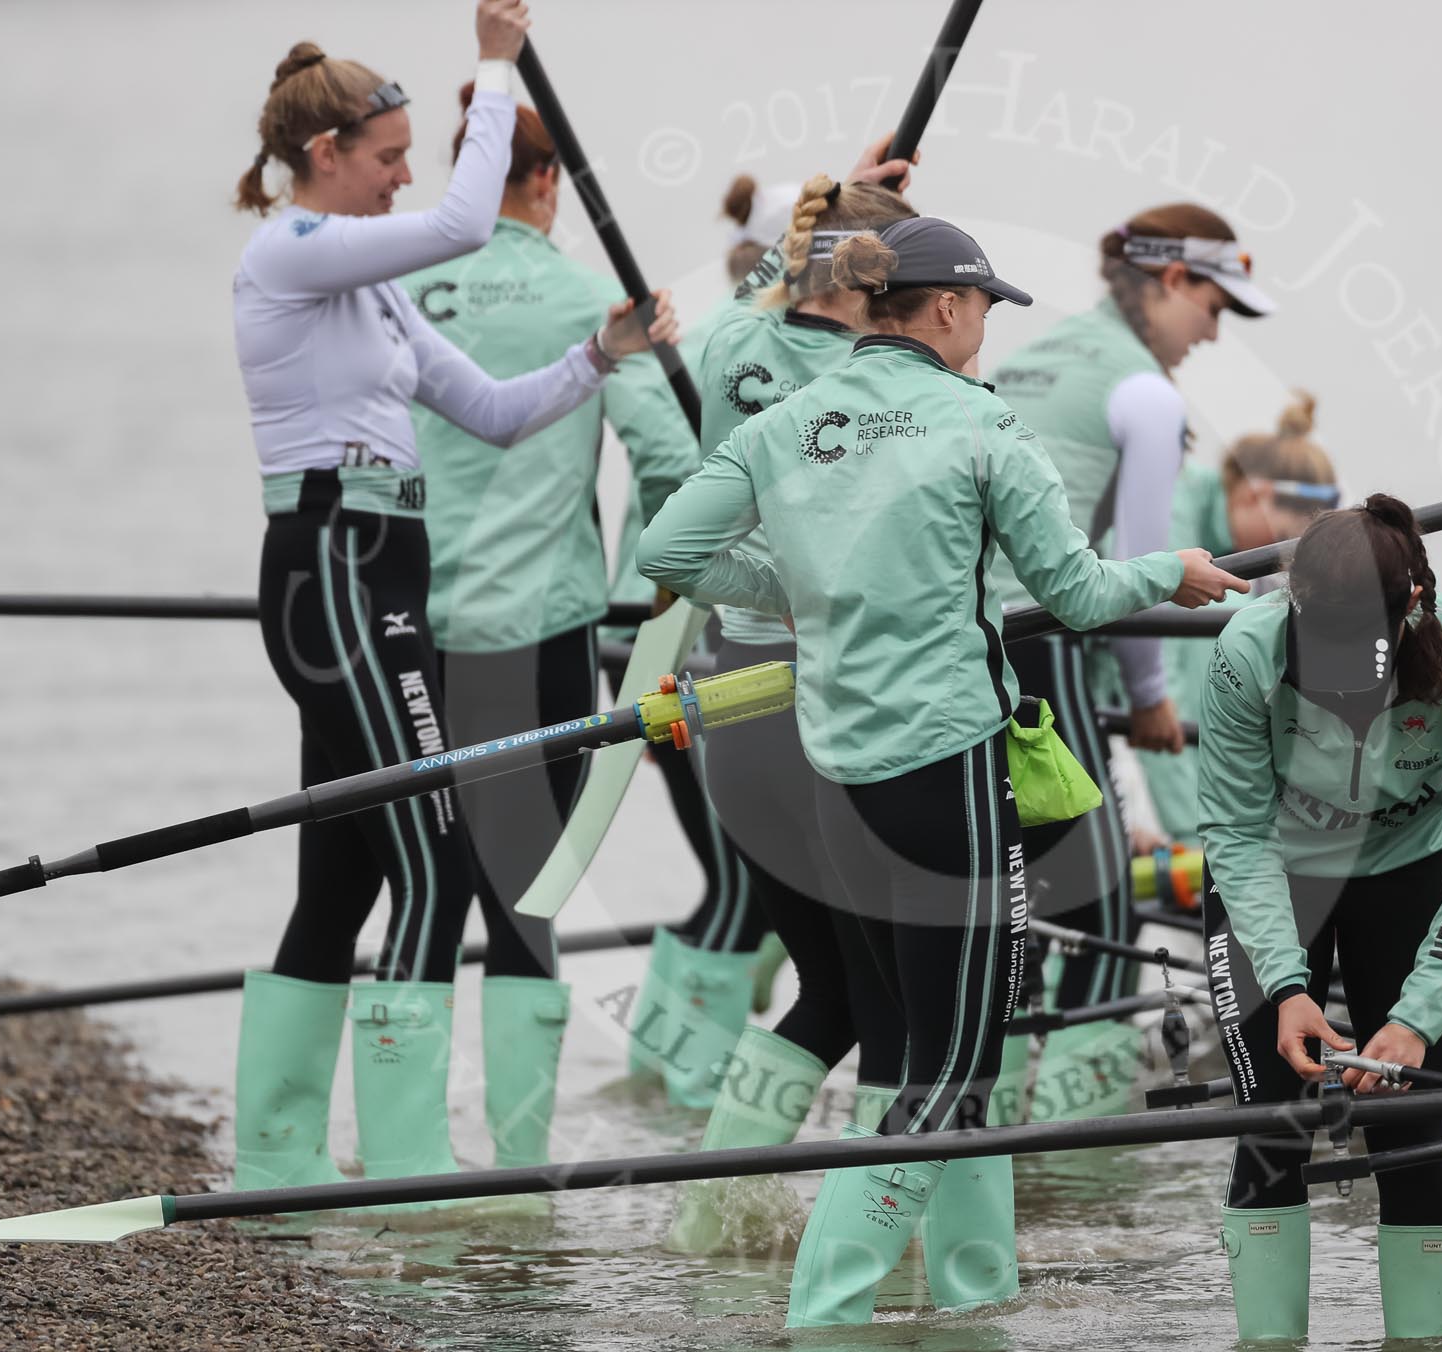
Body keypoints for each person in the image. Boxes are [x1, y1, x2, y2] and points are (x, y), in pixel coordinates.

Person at [638, 215, 1247, 1327]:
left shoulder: (791, 421)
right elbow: (1074, 591)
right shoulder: (979, 423)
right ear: (951, 309)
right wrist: (1176, 567)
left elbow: (667, 553)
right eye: (985, 310)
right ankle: (825, 1313)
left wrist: (811, 594)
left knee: (917, 1040)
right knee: (962, 1057)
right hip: (951, 776)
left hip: (838, 783)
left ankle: (973, 1296)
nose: (986, 331)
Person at [226, 1, 678, 1199]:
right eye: (390, 159)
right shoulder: (293, 250)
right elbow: (470, 216)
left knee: (346, 873)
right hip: (333, 563)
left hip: (381, 573)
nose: (404, 179)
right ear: (326, 157)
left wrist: (601, 353)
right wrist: (495, 62)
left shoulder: (367, 290)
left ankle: (275, 1163)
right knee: (432, 853)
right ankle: (414, 1176)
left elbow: (489, 408)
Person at [399, 81, 702, 1171]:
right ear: (548, 183)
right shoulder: (591, 296)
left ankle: (402, 1162)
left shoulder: (398, 286)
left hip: (402, 632)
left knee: (421, 891)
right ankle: (521, 1177)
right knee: (526, 896)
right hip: (541, 635)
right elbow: (672, 462)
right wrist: (653, 597)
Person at [661, 172, 922, 1263]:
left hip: (732, 711)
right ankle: (874, 1264)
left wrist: (839, 191)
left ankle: (715, 1226)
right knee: (900, 1007)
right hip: (826, 719)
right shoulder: (873, 387)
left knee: (832, 993)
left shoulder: (727, 341)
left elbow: (780, 270)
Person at [1196, 495, 1442, 1341]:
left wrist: (1417, 1019)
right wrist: (1285, 981)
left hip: (1407, 870)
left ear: (1412, 605)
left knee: (1410, 1138)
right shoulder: (1246, 652)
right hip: (1278, 871)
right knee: (1271, 1132)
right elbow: (1234, 833)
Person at [986, 202, 1275, 1122]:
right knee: (1104, 910)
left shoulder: (1033, 356)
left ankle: (986, 1121)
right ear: (1172, 281)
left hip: (964, 645)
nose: (1215, 331)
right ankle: (1072, 1165)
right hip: (1041, 646)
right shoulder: (1143, 392)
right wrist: (1150, 700)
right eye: (1215, 306)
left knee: (1007, 898)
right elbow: (1152, 569)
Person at [1133, 392, 1339, 847]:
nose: (1285, 563)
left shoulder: (1212, 522)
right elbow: (1162, 678)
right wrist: (1195, 833)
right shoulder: (1174, 507)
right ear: (1255, 494)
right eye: (1285, 541)